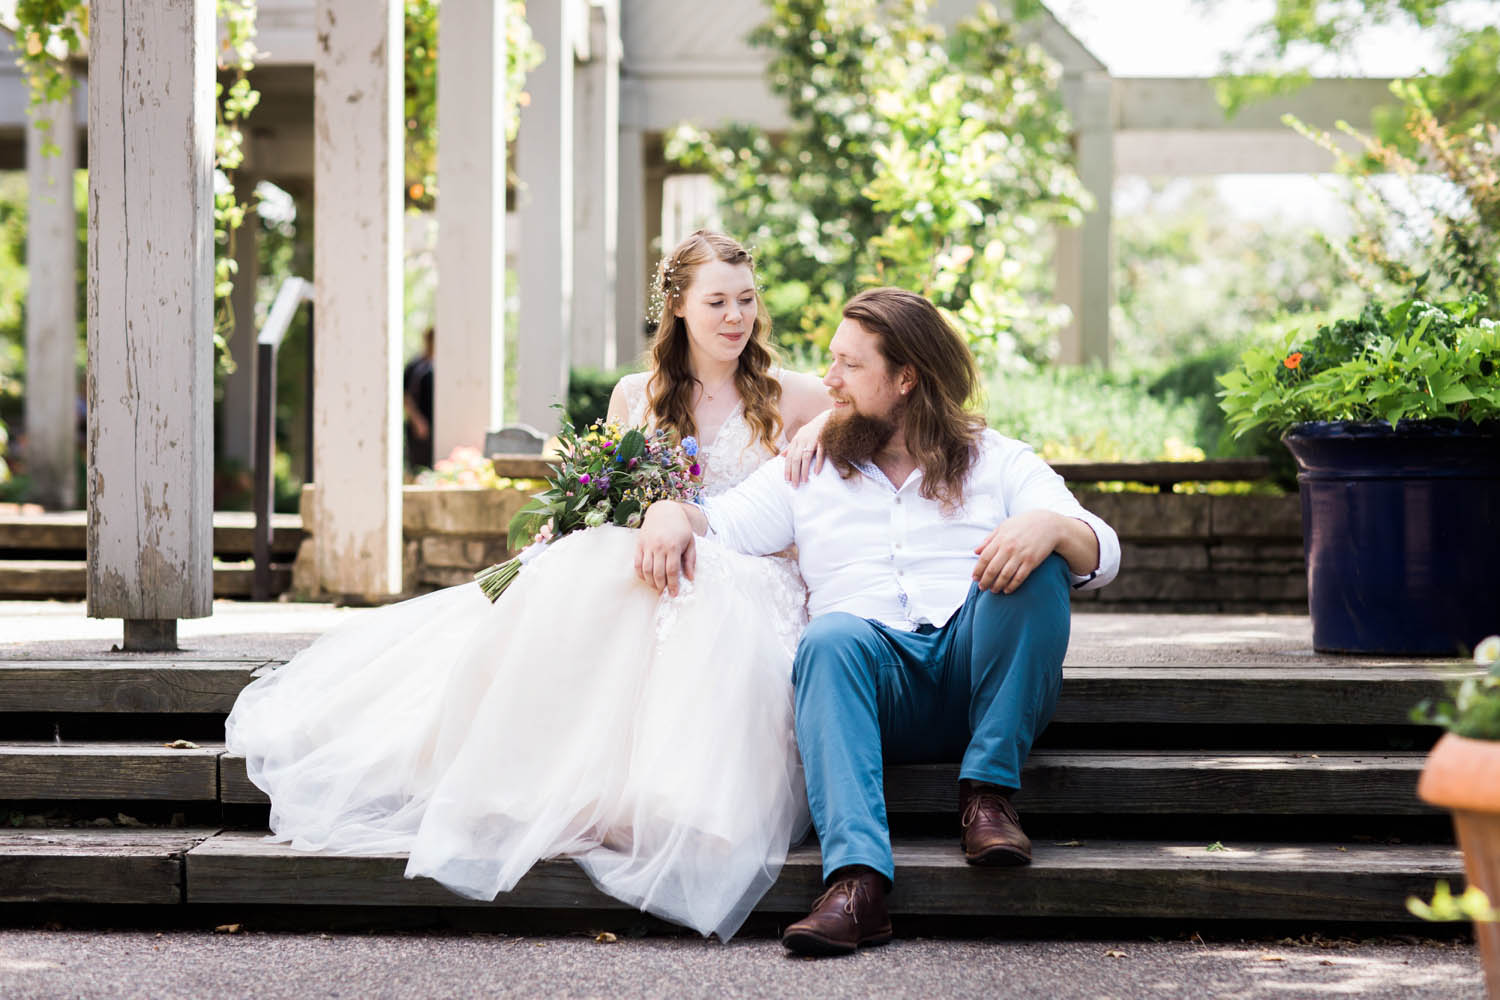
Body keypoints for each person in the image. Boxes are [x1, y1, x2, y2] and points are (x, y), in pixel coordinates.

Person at [226, 231, 832, 940]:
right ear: (677, 306)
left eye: (747, 300)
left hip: (750, 570)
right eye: (718, 301)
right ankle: (540, 776)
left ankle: (662, 796)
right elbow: (610, 499)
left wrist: (830, 428)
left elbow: (834, 480)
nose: (737, 317)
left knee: (699, 597)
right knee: (590, 568)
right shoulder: (639, 396)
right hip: (647, 560)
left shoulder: (798, 397)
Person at [634, 286, 1121, 956]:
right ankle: (857, 884)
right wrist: (669, 511)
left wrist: (1050, 525)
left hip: (975, 675)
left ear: (905, 379)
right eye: (830, 361)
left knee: (1039, 557)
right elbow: (723, 524)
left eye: (848, 366)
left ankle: (988, 798)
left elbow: (1102, 547)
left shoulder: (997, 459)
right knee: (829, 638)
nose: (826, 379)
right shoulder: (806, 468)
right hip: (869, 689)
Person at [403, 327, 436, 471]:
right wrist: (417, 421)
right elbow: (405, 396)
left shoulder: (442, 365)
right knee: (418, 469)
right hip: (419, 428)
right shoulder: (416, 366)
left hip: (436, 425)